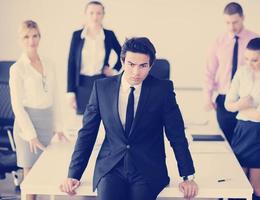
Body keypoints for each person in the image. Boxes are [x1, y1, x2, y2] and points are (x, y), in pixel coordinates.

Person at [60, 37, 198, 200]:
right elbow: (87, 133)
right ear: (123, 61)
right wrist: (73, 174)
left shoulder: (163, 90)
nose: (136, 72)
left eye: (143, 66)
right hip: (111, 167)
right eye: (131, 64)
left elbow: (176, 135)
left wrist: (188, 176)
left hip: (147, 168)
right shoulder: (102, 88)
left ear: (151, 65)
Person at [9, 20, 67, 200]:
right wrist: (30, 134)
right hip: (27, 125)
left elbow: (56, 97)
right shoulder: (17, 68)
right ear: (20, 40)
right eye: (26, 36)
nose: (31, 40)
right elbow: (17, 106)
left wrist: (58, 128)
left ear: (39, 37)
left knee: (47, 172)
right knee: (31, 174)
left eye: (34, 35)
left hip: (47, 121)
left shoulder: (49, 63)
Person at [225, 36, 260, 200]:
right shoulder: (242, 72)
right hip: (242, 132)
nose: (249, 63)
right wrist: (241, 105)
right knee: (238, 188)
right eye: (246, 58)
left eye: (254, 60)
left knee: (257, 189)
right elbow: (228, 104)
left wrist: (240, 106)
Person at [203, 2, 259, 144]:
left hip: (247, 100)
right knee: (227, 143)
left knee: (245, 144)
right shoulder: (218, 42)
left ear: (243, 18)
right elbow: (209, 71)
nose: (231, 27)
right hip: (224, 99)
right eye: (227, 23)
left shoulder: (255, 41)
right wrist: (207, 97)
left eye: (235, 22)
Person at [67, 1, 122, 115]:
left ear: (103, 15)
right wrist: (70, 92)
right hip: (81, 85)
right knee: (83, 120)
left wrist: (114, 70)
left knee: (103, 117)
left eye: (98, 13)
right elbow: (71, 63)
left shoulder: (109, 35)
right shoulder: (77, 35)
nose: (95, 16)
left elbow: (123, 54)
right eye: (91, 13)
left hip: (101, 83)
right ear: (86, 14)